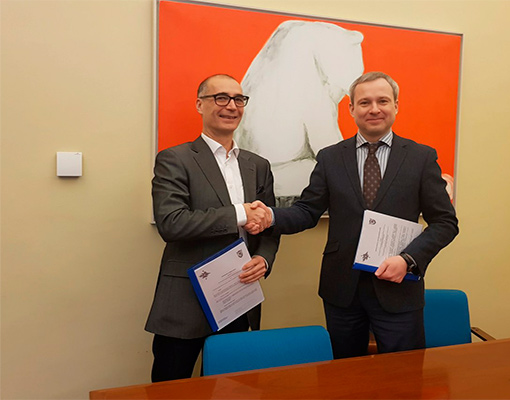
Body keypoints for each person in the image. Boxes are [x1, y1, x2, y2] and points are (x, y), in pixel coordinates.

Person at [248, 72, 458, 359]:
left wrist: (409, 260)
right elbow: (307, 211)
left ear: (396, 106)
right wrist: (271, 217)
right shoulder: (330, 157)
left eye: (382, 101)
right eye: (364, 102)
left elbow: (445, 223)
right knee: (344, 374)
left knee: (403, 375)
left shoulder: (421, 157)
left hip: (398, 288)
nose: (374, 109)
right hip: (342, 289)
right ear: (351, 109)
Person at [145, 74, 279, 382]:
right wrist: (239, 213)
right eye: (221, 98)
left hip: (239, 296)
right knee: (170, 387)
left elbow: (270, 225)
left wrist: (264, 258)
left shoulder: (258, 165)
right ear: (199, 105)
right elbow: (171, 223)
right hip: (185, 300)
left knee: (232, 388)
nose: (231, 106)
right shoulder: (174, 159)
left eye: (238, 99)